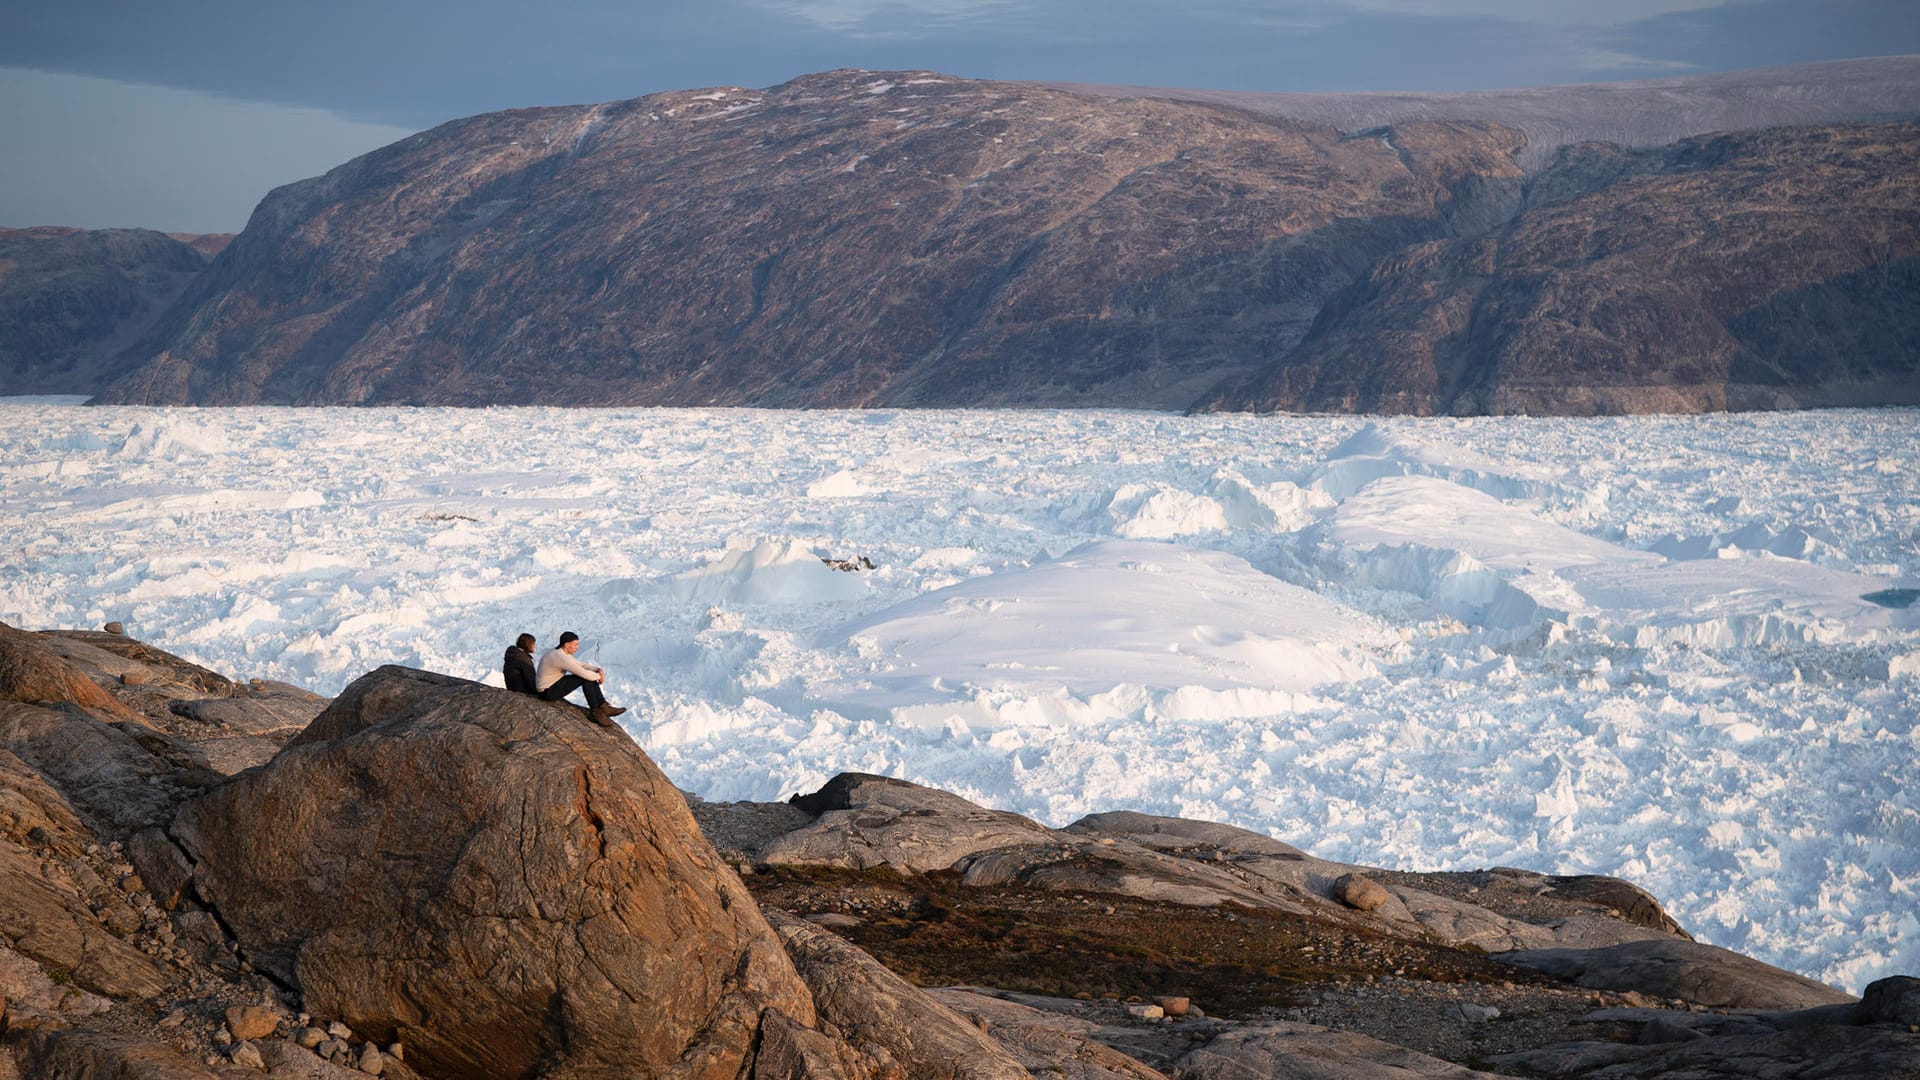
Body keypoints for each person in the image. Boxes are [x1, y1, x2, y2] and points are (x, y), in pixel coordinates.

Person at [537, 630, 627, 726]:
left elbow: (581, 665)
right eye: (575, 645)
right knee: (584, 678)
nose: (577, 647)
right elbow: (583, 673)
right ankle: (597, 712)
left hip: (553, 686)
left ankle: (603, 707)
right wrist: (599, 676)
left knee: (586, 677)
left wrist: (598, 670)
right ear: (567, 645)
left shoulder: (561, 654)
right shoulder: (559, 656)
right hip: (547, 692)